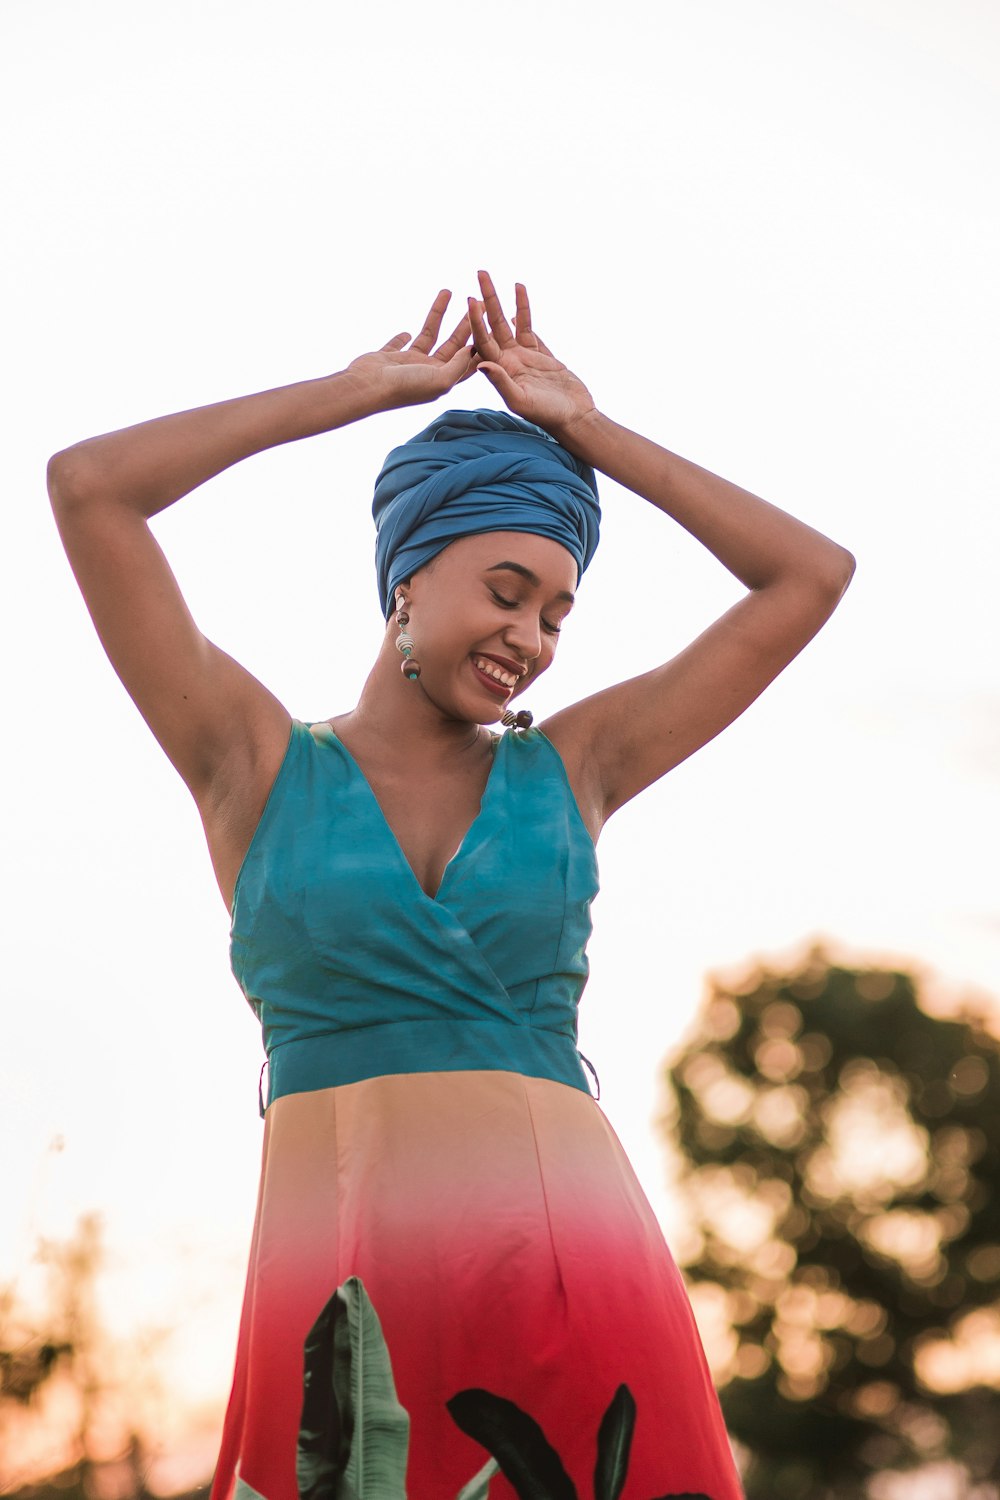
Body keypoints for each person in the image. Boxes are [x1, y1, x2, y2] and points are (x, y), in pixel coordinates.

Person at [48, 270, 855, 1500]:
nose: (530, 636)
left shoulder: (578, 767)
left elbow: (809, 574)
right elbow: (90, 489)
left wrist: (586, 431)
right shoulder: (249, 763)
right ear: (405, 582)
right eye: (506, 589)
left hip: (577, 1267)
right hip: (341, 1283)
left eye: (559, 613)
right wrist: (352, 395)